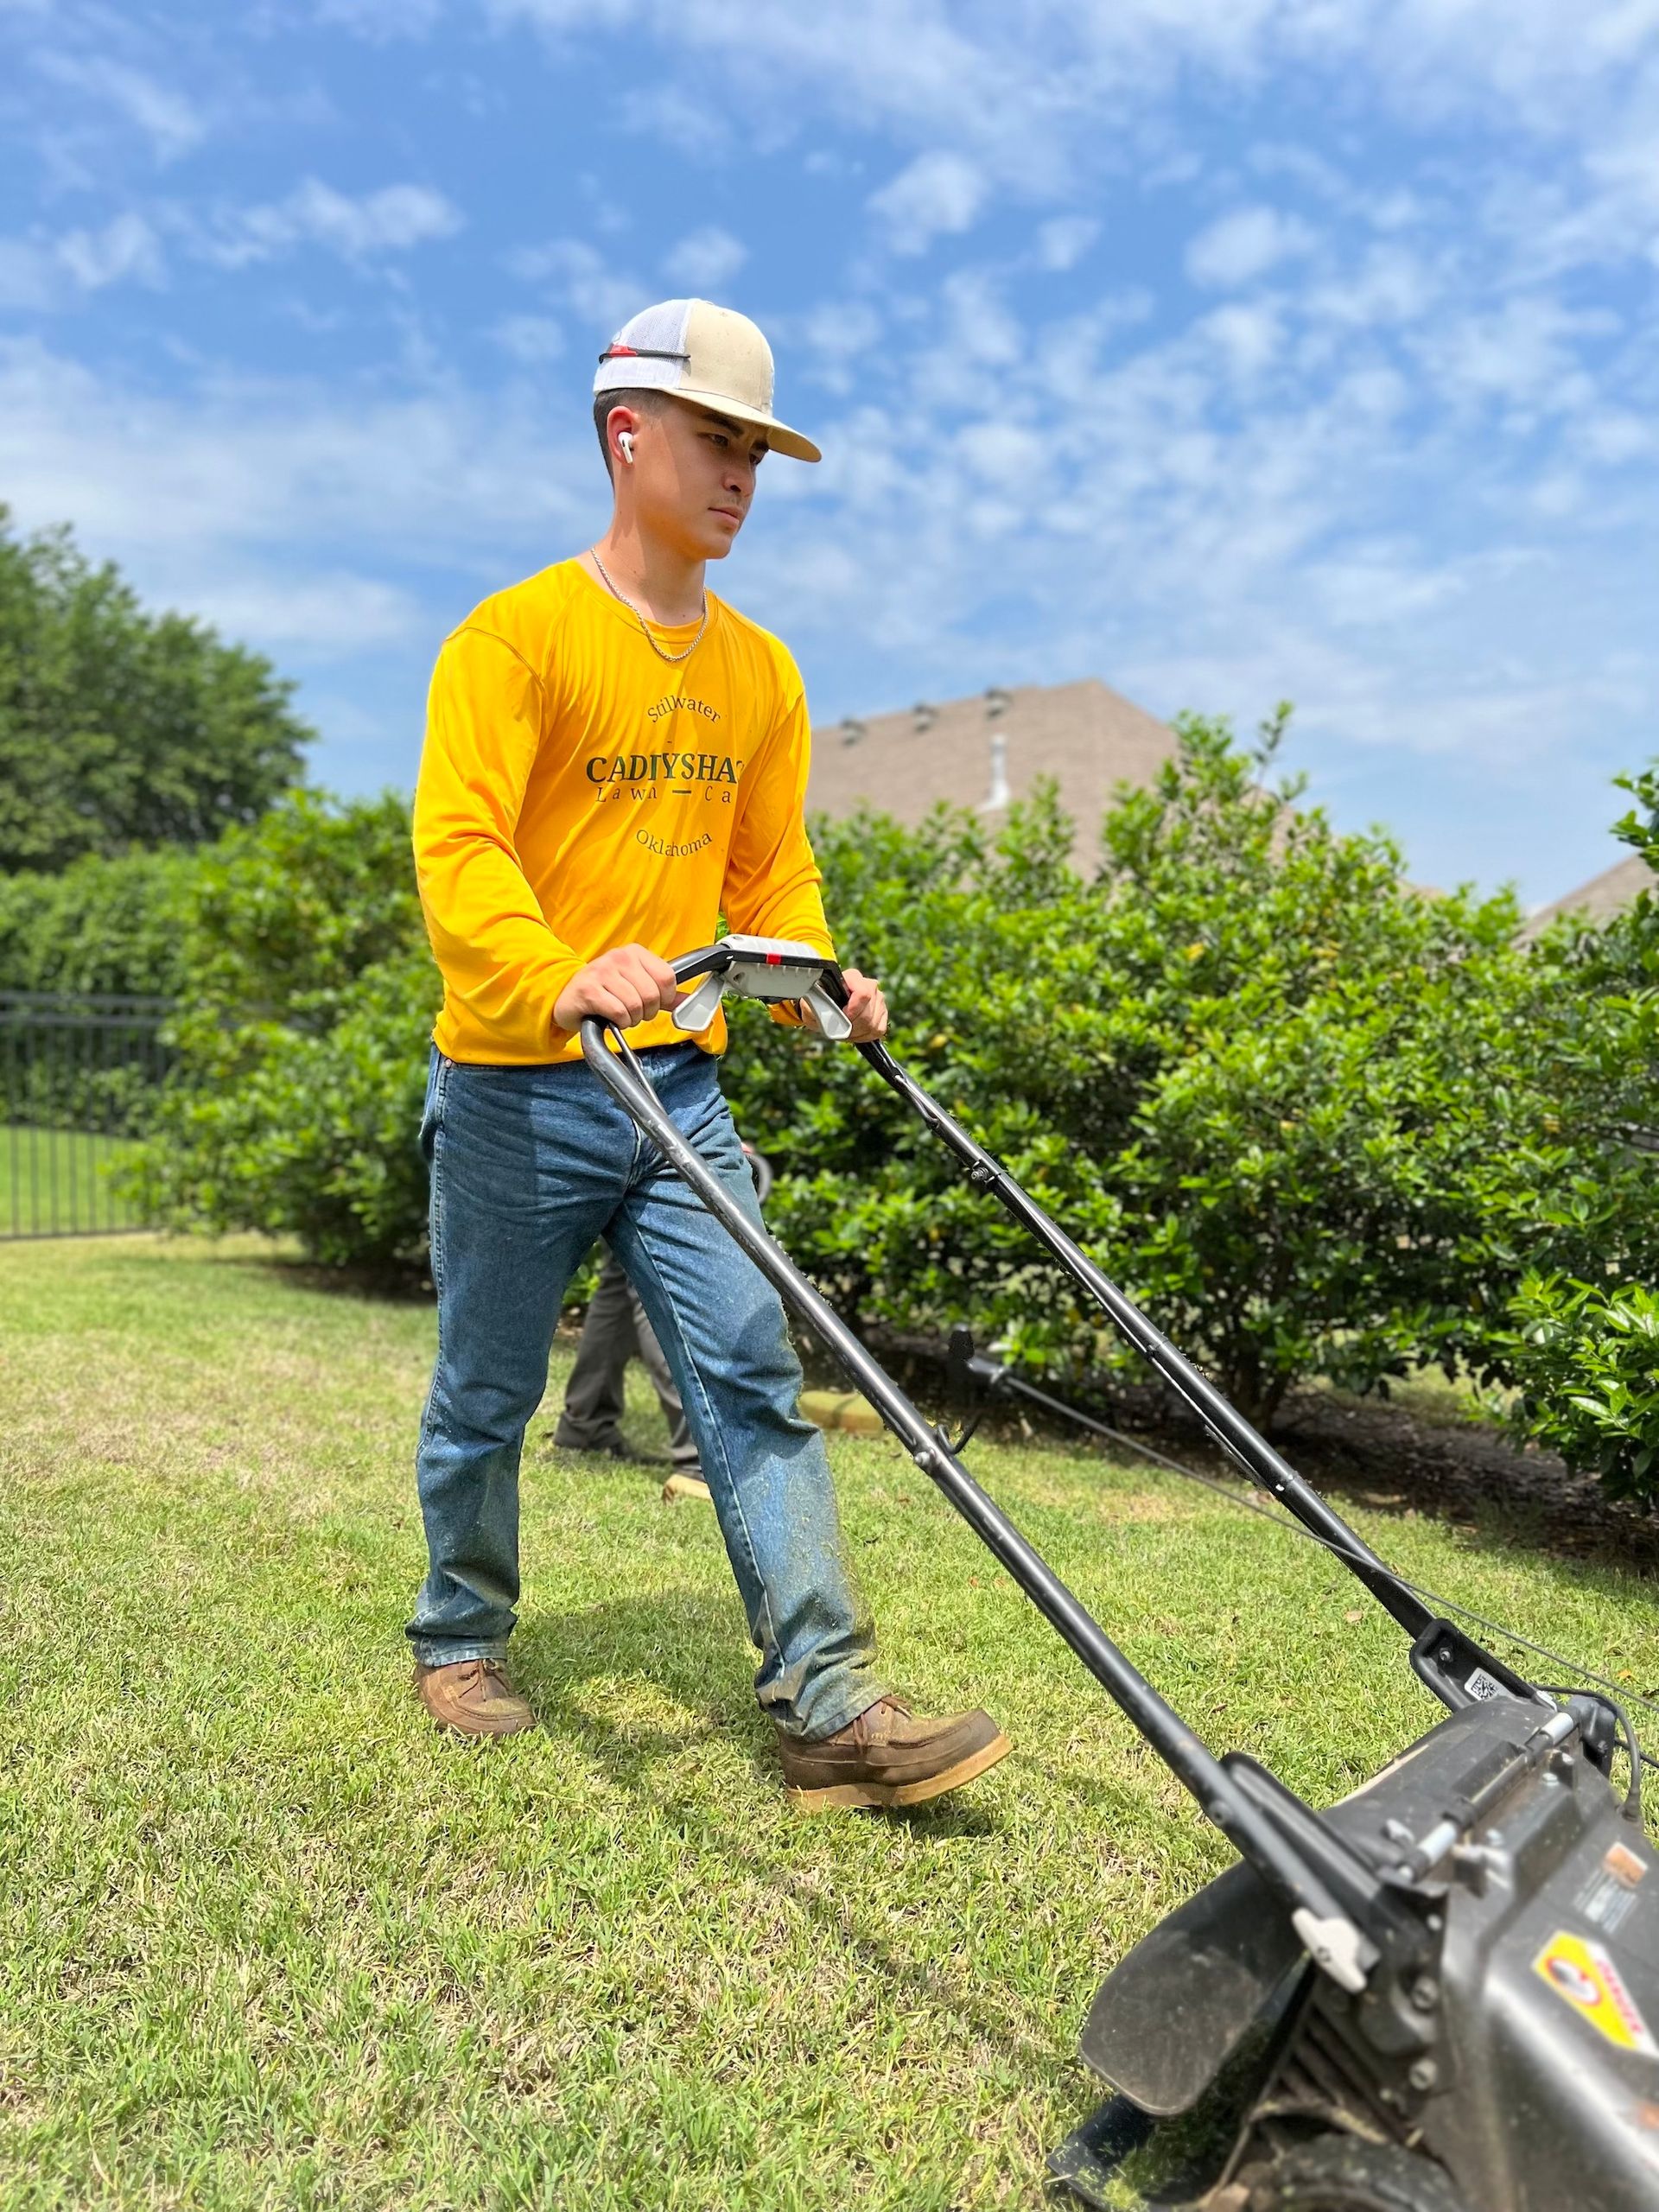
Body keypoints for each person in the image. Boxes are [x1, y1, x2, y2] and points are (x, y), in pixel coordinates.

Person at [407, 296, 1009, 1810]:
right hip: (517, 1082)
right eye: (718, 439)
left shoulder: (762, 671)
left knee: (746, 1369)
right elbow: (461, 847)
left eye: (760, 450)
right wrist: (558, 972)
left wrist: (820, 980)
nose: (744, 473)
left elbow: (769, 874)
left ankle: (829, 1709)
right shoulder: (515, 639)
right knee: (489, 1389)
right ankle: (460, 1635)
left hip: (674, 1081)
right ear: (629, 436)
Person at [555, 1142, 772, 1502]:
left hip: (589, 1124)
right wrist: (704, 1132)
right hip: (637, 1129)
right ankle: (700, 1457)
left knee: (621, 1278)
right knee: (659, 1277)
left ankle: (585, 1423)